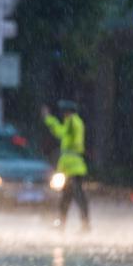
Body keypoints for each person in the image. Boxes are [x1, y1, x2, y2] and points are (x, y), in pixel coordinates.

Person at [41, 99, 90, 232]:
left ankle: (83, 225)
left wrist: (49, 119)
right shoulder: (77, 122)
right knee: (67, 197)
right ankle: (66, 224)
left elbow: (60, 132)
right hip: (74, 166)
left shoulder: (72, 121)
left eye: (64, 112)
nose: (63, 115)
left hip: (72, 167)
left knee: (76, 196)